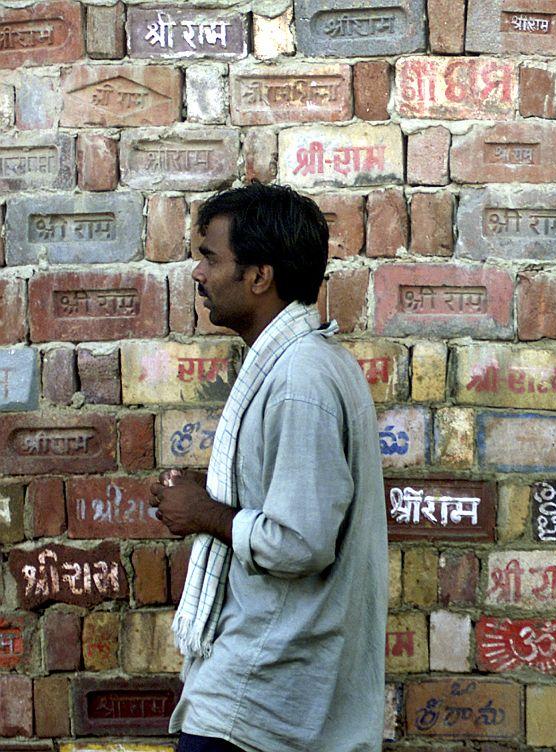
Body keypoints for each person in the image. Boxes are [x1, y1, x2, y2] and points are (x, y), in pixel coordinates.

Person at [149, 182, 388, 752]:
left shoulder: (299, 378)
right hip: (269, 694)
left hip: (263, 700)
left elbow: (300, 543)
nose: (198, 275)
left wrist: (202, 512)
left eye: (210, 257)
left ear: (260, 276)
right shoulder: (304, 363)